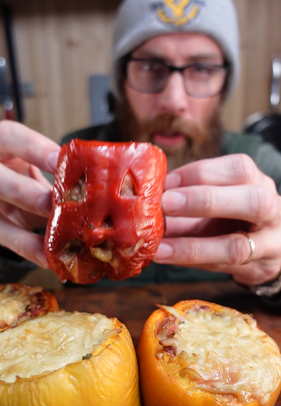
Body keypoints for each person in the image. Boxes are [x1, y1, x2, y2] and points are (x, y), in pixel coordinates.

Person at [0, 0, 281, 301]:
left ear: (225, 83)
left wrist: (274, 276)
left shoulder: (262, 167)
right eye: (149, 66)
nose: (173, 101)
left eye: (202, 68)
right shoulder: (65, 168)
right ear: (121, 78)